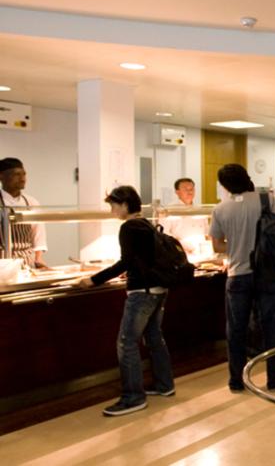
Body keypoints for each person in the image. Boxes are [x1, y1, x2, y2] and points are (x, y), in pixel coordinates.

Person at [78, 186, 175, 416]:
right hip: (159, 289)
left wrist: (93, 280)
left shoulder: (129, 227)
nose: (112, 210)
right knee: (154, 337)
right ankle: (164, 385)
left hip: (141, 292)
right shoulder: (146, 224)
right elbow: (140, 259)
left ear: (124, 204)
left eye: (113, 205)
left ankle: (133, 397)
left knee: (126, 343)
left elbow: (125, 262)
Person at [209, 164, 275, 392]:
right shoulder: (266, 200)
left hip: (237, 276)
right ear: (247, 177)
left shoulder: (220, 209)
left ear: (224, 185)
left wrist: (236, 246)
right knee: (271, 326)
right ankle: (274, 378)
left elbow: (217, 245)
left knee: (236, 330)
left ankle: (236, 380)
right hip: (267, 274)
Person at [0, 157, 48, 268]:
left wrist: (38, 258)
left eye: (24, 174)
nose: (22, 179)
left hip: (26, 262)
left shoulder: (31, 202)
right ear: (1, 176)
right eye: (17, 174)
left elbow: (38, 233)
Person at [160, 178, 209, 254]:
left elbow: (207, 232)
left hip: (200, 251)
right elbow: (163, 234)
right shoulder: (169, 210)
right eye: (186, 189)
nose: (190, 192)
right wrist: (182, 244)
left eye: (192, 189)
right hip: (179, 251)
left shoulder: (199, 210)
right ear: (177, 192)